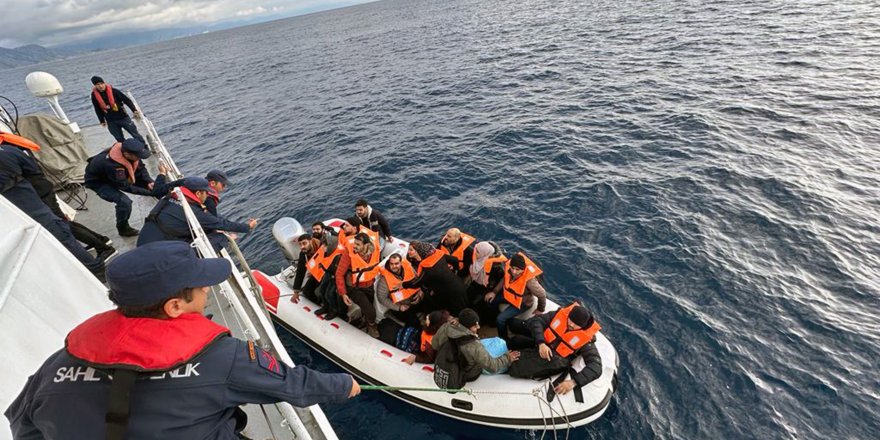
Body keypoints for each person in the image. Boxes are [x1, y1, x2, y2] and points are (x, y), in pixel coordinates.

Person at [5, 241, 360, 439]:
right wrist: (345, 385)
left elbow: (23, 425)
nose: (207, 291)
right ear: (174, 306)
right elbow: (294, 385)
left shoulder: (59, 365)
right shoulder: (224, 358)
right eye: (201, 287)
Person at [0, 136, 106, 280]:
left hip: (20, 206)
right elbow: (32, 168)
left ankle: (93, 262)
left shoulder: (7, 152)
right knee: (62, 233)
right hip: (32, 200)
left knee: (56, 235)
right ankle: (95, 267)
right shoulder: (9, 151)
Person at [508, 303, 603, 397]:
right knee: (515, 334)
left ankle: (509, 364)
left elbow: (596, 366)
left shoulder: (586, 341)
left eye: (576, 324)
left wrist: (574, 382)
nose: (571, 324)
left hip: (552, 359)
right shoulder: (559, 315)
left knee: (518, 364)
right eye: (571, 320)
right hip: (542, 343)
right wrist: (541, 343)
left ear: (583, 326)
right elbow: (538, 321)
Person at [137, 177, 257, 250]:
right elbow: (221, 224)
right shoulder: (194, 212)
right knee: (221, 237)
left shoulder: (169, 197)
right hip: (157, 253)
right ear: (198, 193)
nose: (207, 195)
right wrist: (248, 226)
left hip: (143, 242)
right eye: (206, 193)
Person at [83, 138, 154, 236]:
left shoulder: (133, 154)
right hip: (99, 182)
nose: (139, 158)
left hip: (111, 176)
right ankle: (123, 229)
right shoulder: (113, 166)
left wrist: (149, 181)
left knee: (152, 186)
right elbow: (125, 186)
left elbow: (141, 168)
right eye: (138, 156)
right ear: (127, 154)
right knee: (124, 202)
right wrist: (149, 193)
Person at [431, 308, 519, 385]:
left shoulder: (446, 326)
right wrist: (507, 358)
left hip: (447, 362)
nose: (479, 327)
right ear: (467, 327)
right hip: (467, 374)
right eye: (475, 326)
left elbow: (434, 345)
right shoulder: (474, 346)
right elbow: (492, 366)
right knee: (495, 347)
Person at [490, 252, 546, 340]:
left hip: (522, 303)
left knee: (500, 319)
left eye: (517, 269)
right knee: (491, 301)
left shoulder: (530, 281)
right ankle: (492, 323)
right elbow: (504, 279)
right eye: (512, 268)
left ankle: (504, 339)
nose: (514, 272)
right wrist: (494, 292)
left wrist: (540, 309)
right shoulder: (509, 270)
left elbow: (542, 294)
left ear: (523, 270)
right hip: (509, 296)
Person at [335, 232, 381, 338]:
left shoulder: (375, 251)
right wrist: (343, 293)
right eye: (354, 243)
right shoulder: (349, 253)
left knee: (368, 306)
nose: (354, 246)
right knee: (371, 312)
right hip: (354, 287)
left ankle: (365, 320)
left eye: (358, 244)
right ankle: (372, 326)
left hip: (369, 284)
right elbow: (339, 274)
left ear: (366, 245)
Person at [405, 241, 468, 315]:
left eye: (411, 250)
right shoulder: (439, 255)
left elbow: (417, 282)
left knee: (458, 310)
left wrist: (403, 285)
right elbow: (455, 260)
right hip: (457, 283)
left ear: (419, 252)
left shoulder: (427, 268)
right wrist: (455, 270)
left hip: (448, 292)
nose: (408, 251)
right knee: (464, 304)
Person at [89, 76, 144, 143]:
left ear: (104, 83)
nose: (100, 86)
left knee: (135, 134)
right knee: (119, 139)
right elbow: (97, 108)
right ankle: (127, 149)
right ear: (95, 86)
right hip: (111, 121)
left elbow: (126, 100)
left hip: (123, 117)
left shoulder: (114, 91)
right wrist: (101, 120)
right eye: (98, 84)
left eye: (101, 83)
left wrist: (134, 110)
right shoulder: (94, 95)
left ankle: (144, 147)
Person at [376, 253, 422, 327]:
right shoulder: (384, 280)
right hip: (402, 306)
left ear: (401, 263)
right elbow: (381, 298)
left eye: (396, 263)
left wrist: (420, 291)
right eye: (391, 264)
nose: (394, 266)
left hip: (415, 298)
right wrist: (399, 307)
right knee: (414, 322)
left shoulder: (408, 268)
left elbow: (418, 280)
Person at [468, 241, 508, 322]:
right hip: (478, 283)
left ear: (484, 254)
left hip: (489, 288)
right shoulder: (480, 258)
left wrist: (493, 292)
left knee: (481, 303)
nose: (475, 253)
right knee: (468, 294)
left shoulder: (497, 267)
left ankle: (484, 321)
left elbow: (502, 280)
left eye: (478, 252)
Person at [290, 233, 323, 304]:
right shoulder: (303, 254)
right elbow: (300, 272)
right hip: (316, 274)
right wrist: (296, 291)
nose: (302, 247)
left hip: (328, 273)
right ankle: (318, 303)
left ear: (310, 241)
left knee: (324, 291)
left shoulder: (322, 246)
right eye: (300, 244)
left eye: (304, 243)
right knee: (307, 291)